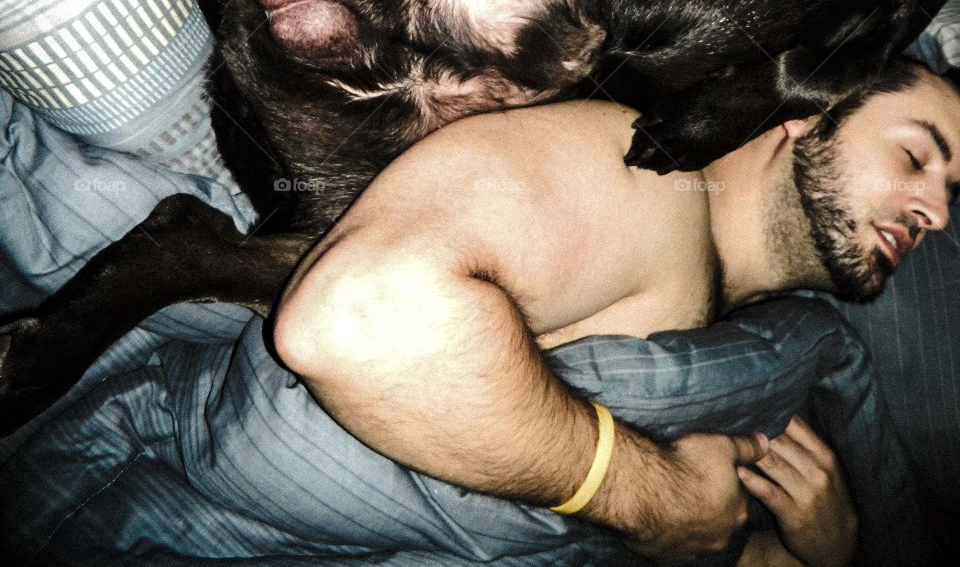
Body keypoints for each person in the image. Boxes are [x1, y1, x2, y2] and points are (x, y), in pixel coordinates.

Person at [272, 60, 960, 566]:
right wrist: (649, 496)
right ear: (808, 107)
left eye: (951, 191)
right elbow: (351, 318)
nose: (936, 211)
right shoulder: (651, 186)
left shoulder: (738, 322)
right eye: (914, 155)